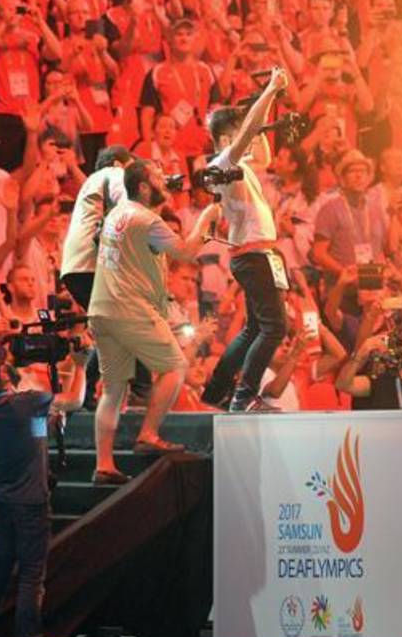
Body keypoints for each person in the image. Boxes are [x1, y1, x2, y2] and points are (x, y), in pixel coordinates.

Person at [87, 160, 221, 484]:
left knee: (114, 388)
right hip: (131, 309)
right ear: (144, 187)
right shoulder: (148, 220)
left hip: (102, 309)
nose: (165, 180)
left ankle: (103, 464)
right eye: (157, 178)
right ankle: (148, 434)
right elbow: (187, 252)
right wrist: (207, 216)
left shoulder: (117, 213)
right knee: (175, 366)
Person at [198, 68, 291, 411]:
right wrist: (268, 93)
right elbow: (249, 132)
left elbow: (263, 153)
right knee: (274, 328)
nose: (249, 138)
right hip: (254, 254)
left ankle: (218, 391)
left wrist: (259, 108)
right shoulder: (224, 160)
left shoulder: (238, 164)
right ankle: (245, 394)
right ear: (225, 139)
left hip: (254, 253)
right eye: (240, 134)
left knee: (254, 328)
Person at [0, 357, 61, 637]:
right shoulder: (27, 402)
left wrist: (45, 424)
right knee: (32, 574)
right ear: (2, 375)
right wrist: (78, 366)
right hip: (30, 503)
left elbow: (33, 437)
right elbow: (69, 399)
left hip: (2, 501)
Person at [57, 144, 134, 405]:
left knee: (110, 329)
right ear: (118, 163)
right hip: (87, 266)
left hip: (78, 266)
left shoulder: (90, 185)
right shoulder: (111, 174)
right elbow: (126, 198)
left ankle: (91, 393)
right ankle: (129, 388)